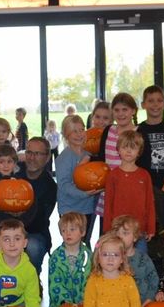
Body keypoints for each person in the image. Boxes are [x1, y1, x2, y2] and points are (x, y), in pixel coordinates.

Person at [137, 85, 164, 241]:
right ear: (143, 105)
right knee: (152, 225)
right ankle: (153, 258)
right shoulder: (139, 130)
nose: (155, 105)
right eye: (150, 101)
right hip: (148, 186)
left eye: (158, 101)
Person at [0, 145, 38, 264]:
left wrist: (21, 221)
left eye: (9, 161)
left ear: (15, 163)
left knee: (23, 259)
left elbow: (32, 205)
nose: (6, 165)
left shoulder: (23, 183)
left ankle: (29, 280)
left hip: (18, 232)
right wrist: (8, 222)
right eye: (1, 162)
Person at [93, 92, 139, 234]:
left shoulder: (139, 133)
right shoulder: (109, 131)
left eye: (125, 109)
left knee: (129, 233)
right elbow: (102, 158)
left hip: (129, 191)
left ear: (133, 111)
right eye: (117, 110)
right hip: (108, 191)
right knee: (107, 233)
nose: (121, 114)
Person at [103, 130, 155, 242]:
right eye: (125, 147)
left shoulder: (144, 175)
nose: (128, 151)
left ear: (139, 151)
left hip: (139, 231)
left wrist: (151, 228)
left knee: (139, 258)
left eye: (133, 147)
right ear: (118, 150)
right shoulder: (113, 175)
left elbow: (150, 203)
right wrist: (107, 229)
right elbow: (108, 204)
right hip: (117, 231)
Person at [56, 114, 101, 244]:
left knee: (85, 241)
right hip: (69, 209)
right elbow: (64, 185)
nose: (79, 134)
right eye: (74, 131)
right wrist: (84, 193)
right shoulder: (64, 158)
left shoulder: (89, 154)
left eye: (82, 130)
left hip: (87, 207)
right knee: (72, 242)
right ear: (66, 135)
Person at [19, 136, 57, 274]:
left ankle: (33, 281)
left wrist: (17, 221)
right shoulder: (13, 173)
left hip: (34, 232)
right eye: (29, 152)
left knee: (33, 247)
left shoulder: (50, 186)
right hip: (6, 229)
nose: (32, 158)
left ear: (47, 158)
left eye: (37, 154)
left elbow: (39, 220)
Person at [48, 212, 93, 307]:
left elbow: (90, 280)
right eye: (64, 230)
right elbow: (55, 283)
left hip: (84, 306)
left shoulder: (88, 256)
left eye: (72, 229)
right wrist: (65, 302)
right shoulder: (55, 256)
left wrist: (83, 300)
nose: (68, 233)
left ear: (82, 232)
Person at [114, 215, 158, 304]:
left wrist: (149, 299)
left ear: (135, 237)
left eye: (125, 233)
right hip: (118, 305)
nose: (120, 236)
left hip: (142, 303)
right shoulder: (111, 258)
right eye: (117, 233)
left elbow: (153, 279)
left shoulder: (143, 258)